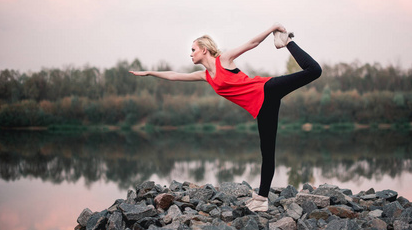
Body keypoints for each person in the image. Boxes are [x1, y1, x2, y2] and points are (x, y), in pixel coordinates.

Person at [129, 23, 322, 212]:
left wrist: (273, 29)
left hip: (266, 89)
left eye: (193, 49)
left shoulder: (225, 60)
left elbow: (251, 43)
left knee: (314, 71)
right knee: (267, 152)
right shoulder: (205, 76)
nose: (190, 53)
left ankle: (287, 41)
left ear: (204, 50)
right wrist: (148, 73)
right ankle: (261, 200)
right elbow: (174, 75)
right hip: (262, 108)